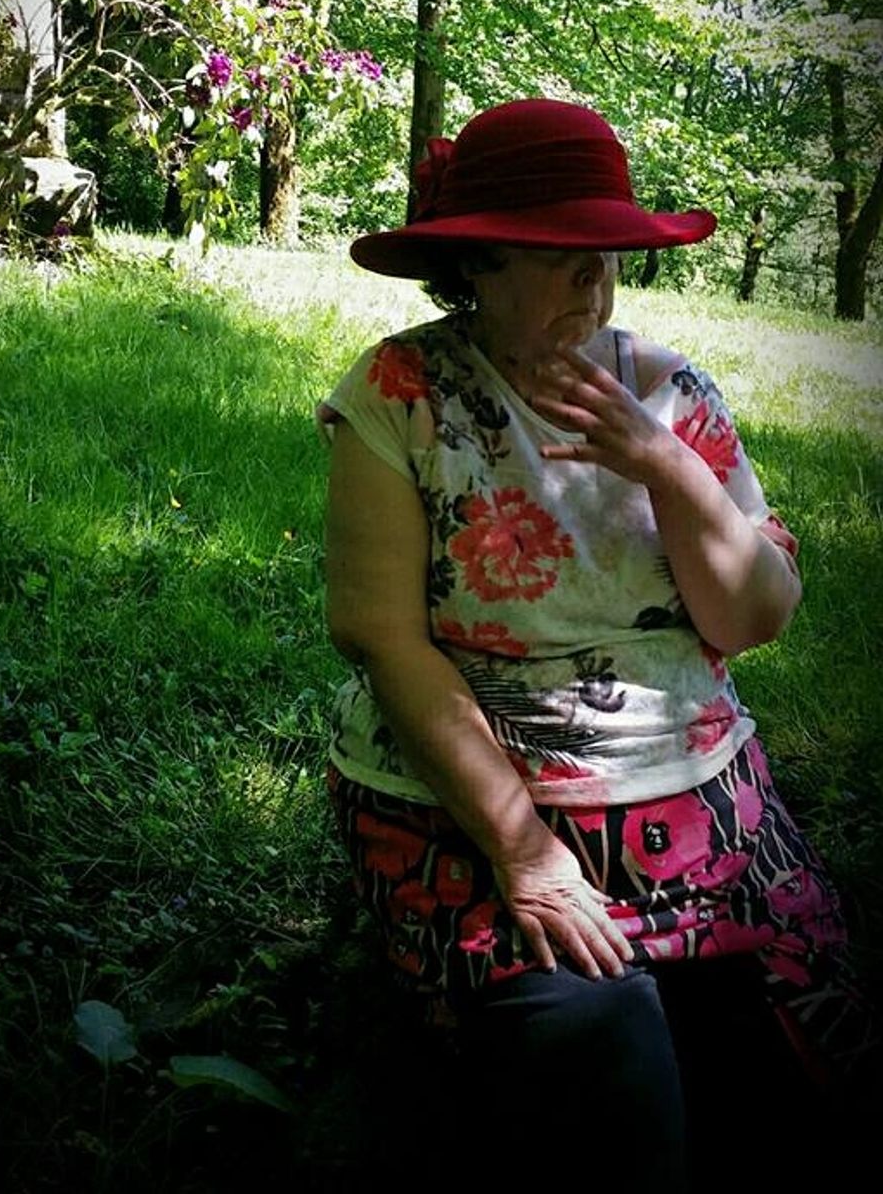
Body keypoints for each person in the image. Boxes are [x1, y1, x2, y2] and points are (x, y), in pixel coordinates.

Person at [318, 98, 877, 1187]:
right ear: (475, 263)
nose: (596, 286)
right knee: (597, 1059)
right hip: (472, 799)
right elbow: (382, 636)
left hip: (689, 776)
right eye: (562, 255)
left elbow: (751, 619)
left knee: (806, 1061)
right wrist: (523, 853)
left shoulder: (671, 393)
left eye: (607, 257)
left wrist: (663, 465)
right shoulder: (401, 395)